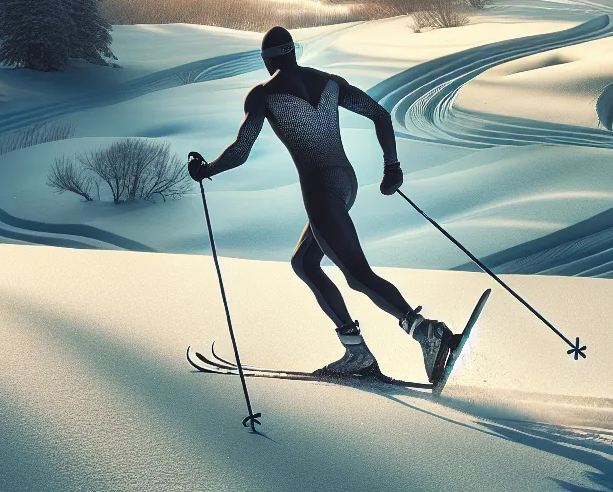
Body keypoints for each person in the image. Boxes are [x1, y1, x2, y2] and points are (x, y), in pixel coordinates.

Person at [188, 26, 455, 381]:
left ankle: (425, 332)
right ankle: (356, 350)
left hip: (319, 191)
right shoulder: (331, 82)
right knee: (304, 262)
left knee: (358, 275)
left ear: (267, 60)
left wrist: (207, 170)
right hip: (345, 184)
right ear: (293, 53)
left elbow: (241, 151)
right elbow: (380, 115)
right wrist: (392, 166)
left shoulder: (264, 95)